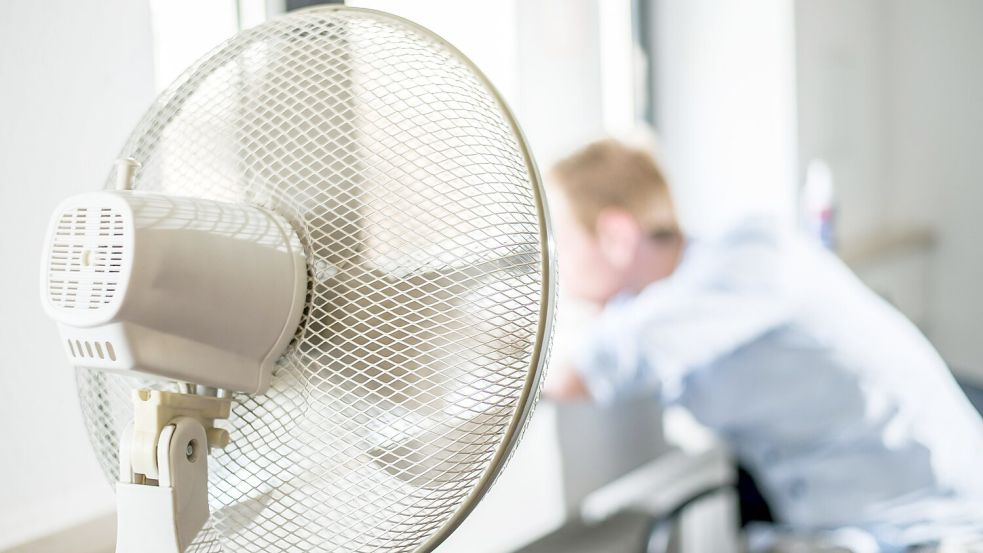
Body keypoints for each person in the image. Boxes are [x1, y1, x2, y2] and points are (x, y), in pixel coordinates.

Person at [544, 138, 983, 552]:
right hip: (842, 524)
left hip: (927, 528)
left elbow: (578, 372)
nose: (555, 261)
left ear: (616, 235)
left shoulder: (748, 257)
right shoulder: (667, 302)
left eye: (561, 240)